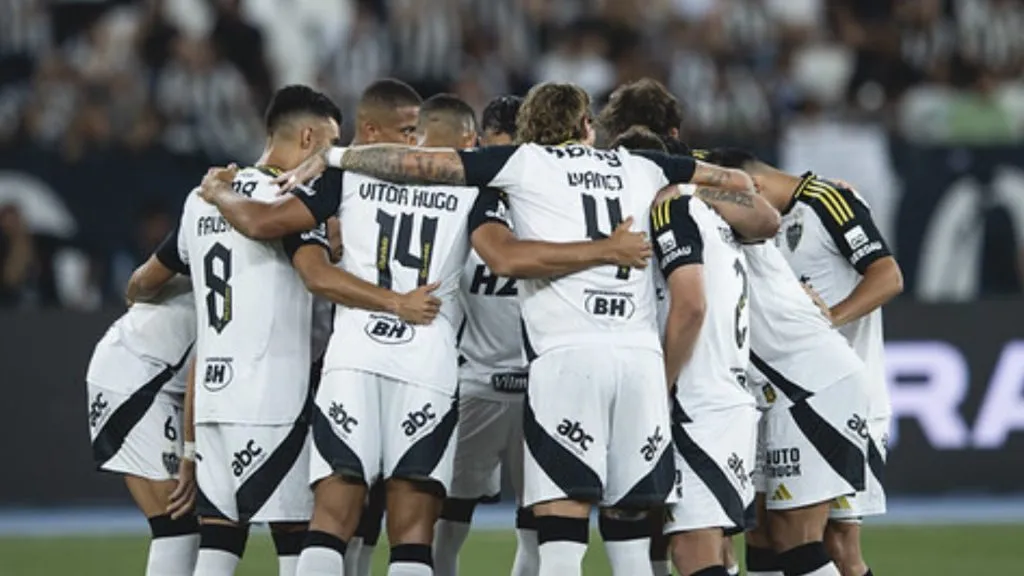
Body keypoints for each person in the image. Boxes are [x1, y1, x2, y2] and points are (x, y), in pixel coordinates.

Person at [273, 82, 779, 576]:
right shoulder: (642, 165)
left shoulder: (521, 163)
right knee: (629, 535)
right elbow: (737, 186)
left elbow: (419, 165)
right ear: (587, 126)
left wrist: (336, 157)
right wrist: (699, 187)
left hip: (565, 363)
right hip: (641, 366)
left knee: (560, 537)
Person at [198, 89, 652, 576]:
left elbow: (266, 223)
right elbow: (505, 257)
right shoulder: (476, 188)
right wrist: (604, 249)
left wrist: (217, 190)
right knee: (413, 533)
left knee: (331, 520)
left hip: (352, 360)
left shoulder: (348, 173)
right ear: (464, 140)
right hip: (427, 363)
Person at [176, 84, 442, 576]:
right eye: (328, 142)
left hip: (215, 398)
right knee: (303, 538)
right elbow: (313, 271)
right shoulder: (290, 195)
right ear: (307, 135)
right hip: (276, 395)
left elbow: (145, 282)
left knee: (217, 543)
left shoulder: (200, 200)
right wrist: (394, 301)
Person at [700, 148, 895, 576]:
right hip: (783, 396)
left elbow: (888, 275)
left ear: (756, 186)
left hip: (839, 394)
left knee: (835, 541)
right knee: (764, 533)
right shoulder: (761, 220)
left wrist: (830, 317)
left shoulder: (830, 201)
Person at [611, 127, 765, 576]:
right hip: (728, 395)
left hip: (700, 403)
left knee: (692, 553)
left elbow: (691, 305)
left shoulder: (671, 211)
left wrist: (657, 389)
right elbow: (766, 218)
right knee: (715, 550)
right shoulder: (711, 212)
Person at [430, 94, 538, 576]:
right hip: (475, 384)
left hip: (541, 386)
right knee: (448, 523)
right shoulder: (460, 204)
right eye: (494, 151)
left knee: (539, 526)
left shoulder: (551, 202)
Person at [86, 240, 197, 576]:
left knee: (189, 525)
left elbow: (137, 284)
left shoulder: (201, 217)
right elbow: (201, 373)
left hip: (150, 373)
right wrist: (190, 453)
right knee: (176, 522)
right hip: (136, 375)